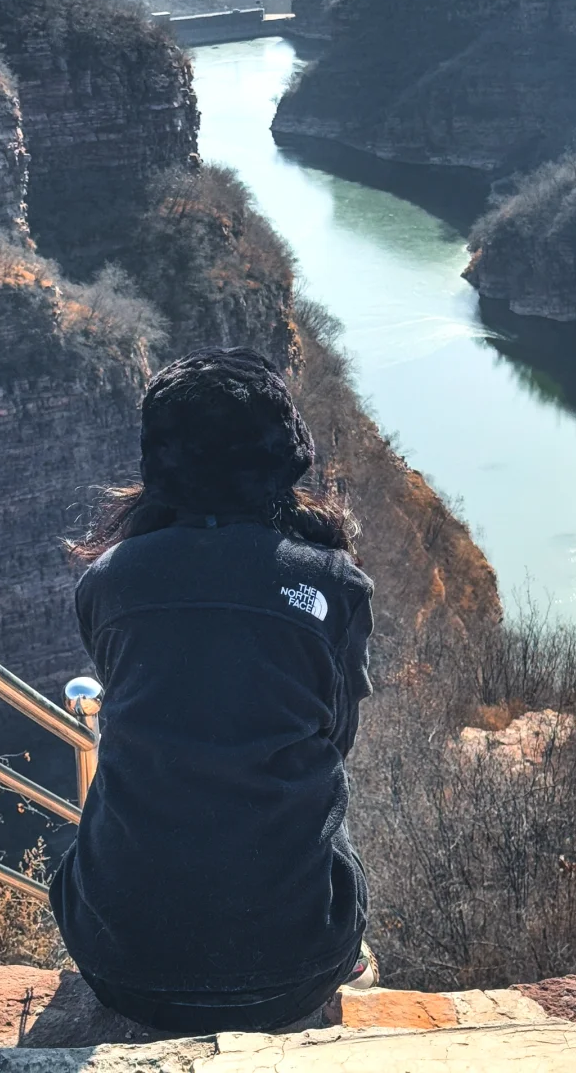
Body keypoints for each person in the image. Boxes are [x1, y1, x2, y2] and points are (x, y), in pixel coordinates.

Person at [50, 347, 376, 1035]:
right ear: (288, 454)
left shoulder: (108, 581)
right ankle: (337, 964)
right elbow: (335, 738)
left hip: (118, 959)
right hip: (294, 966)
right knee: (318, 781)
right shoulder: (334, 585)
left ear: (159, 461)